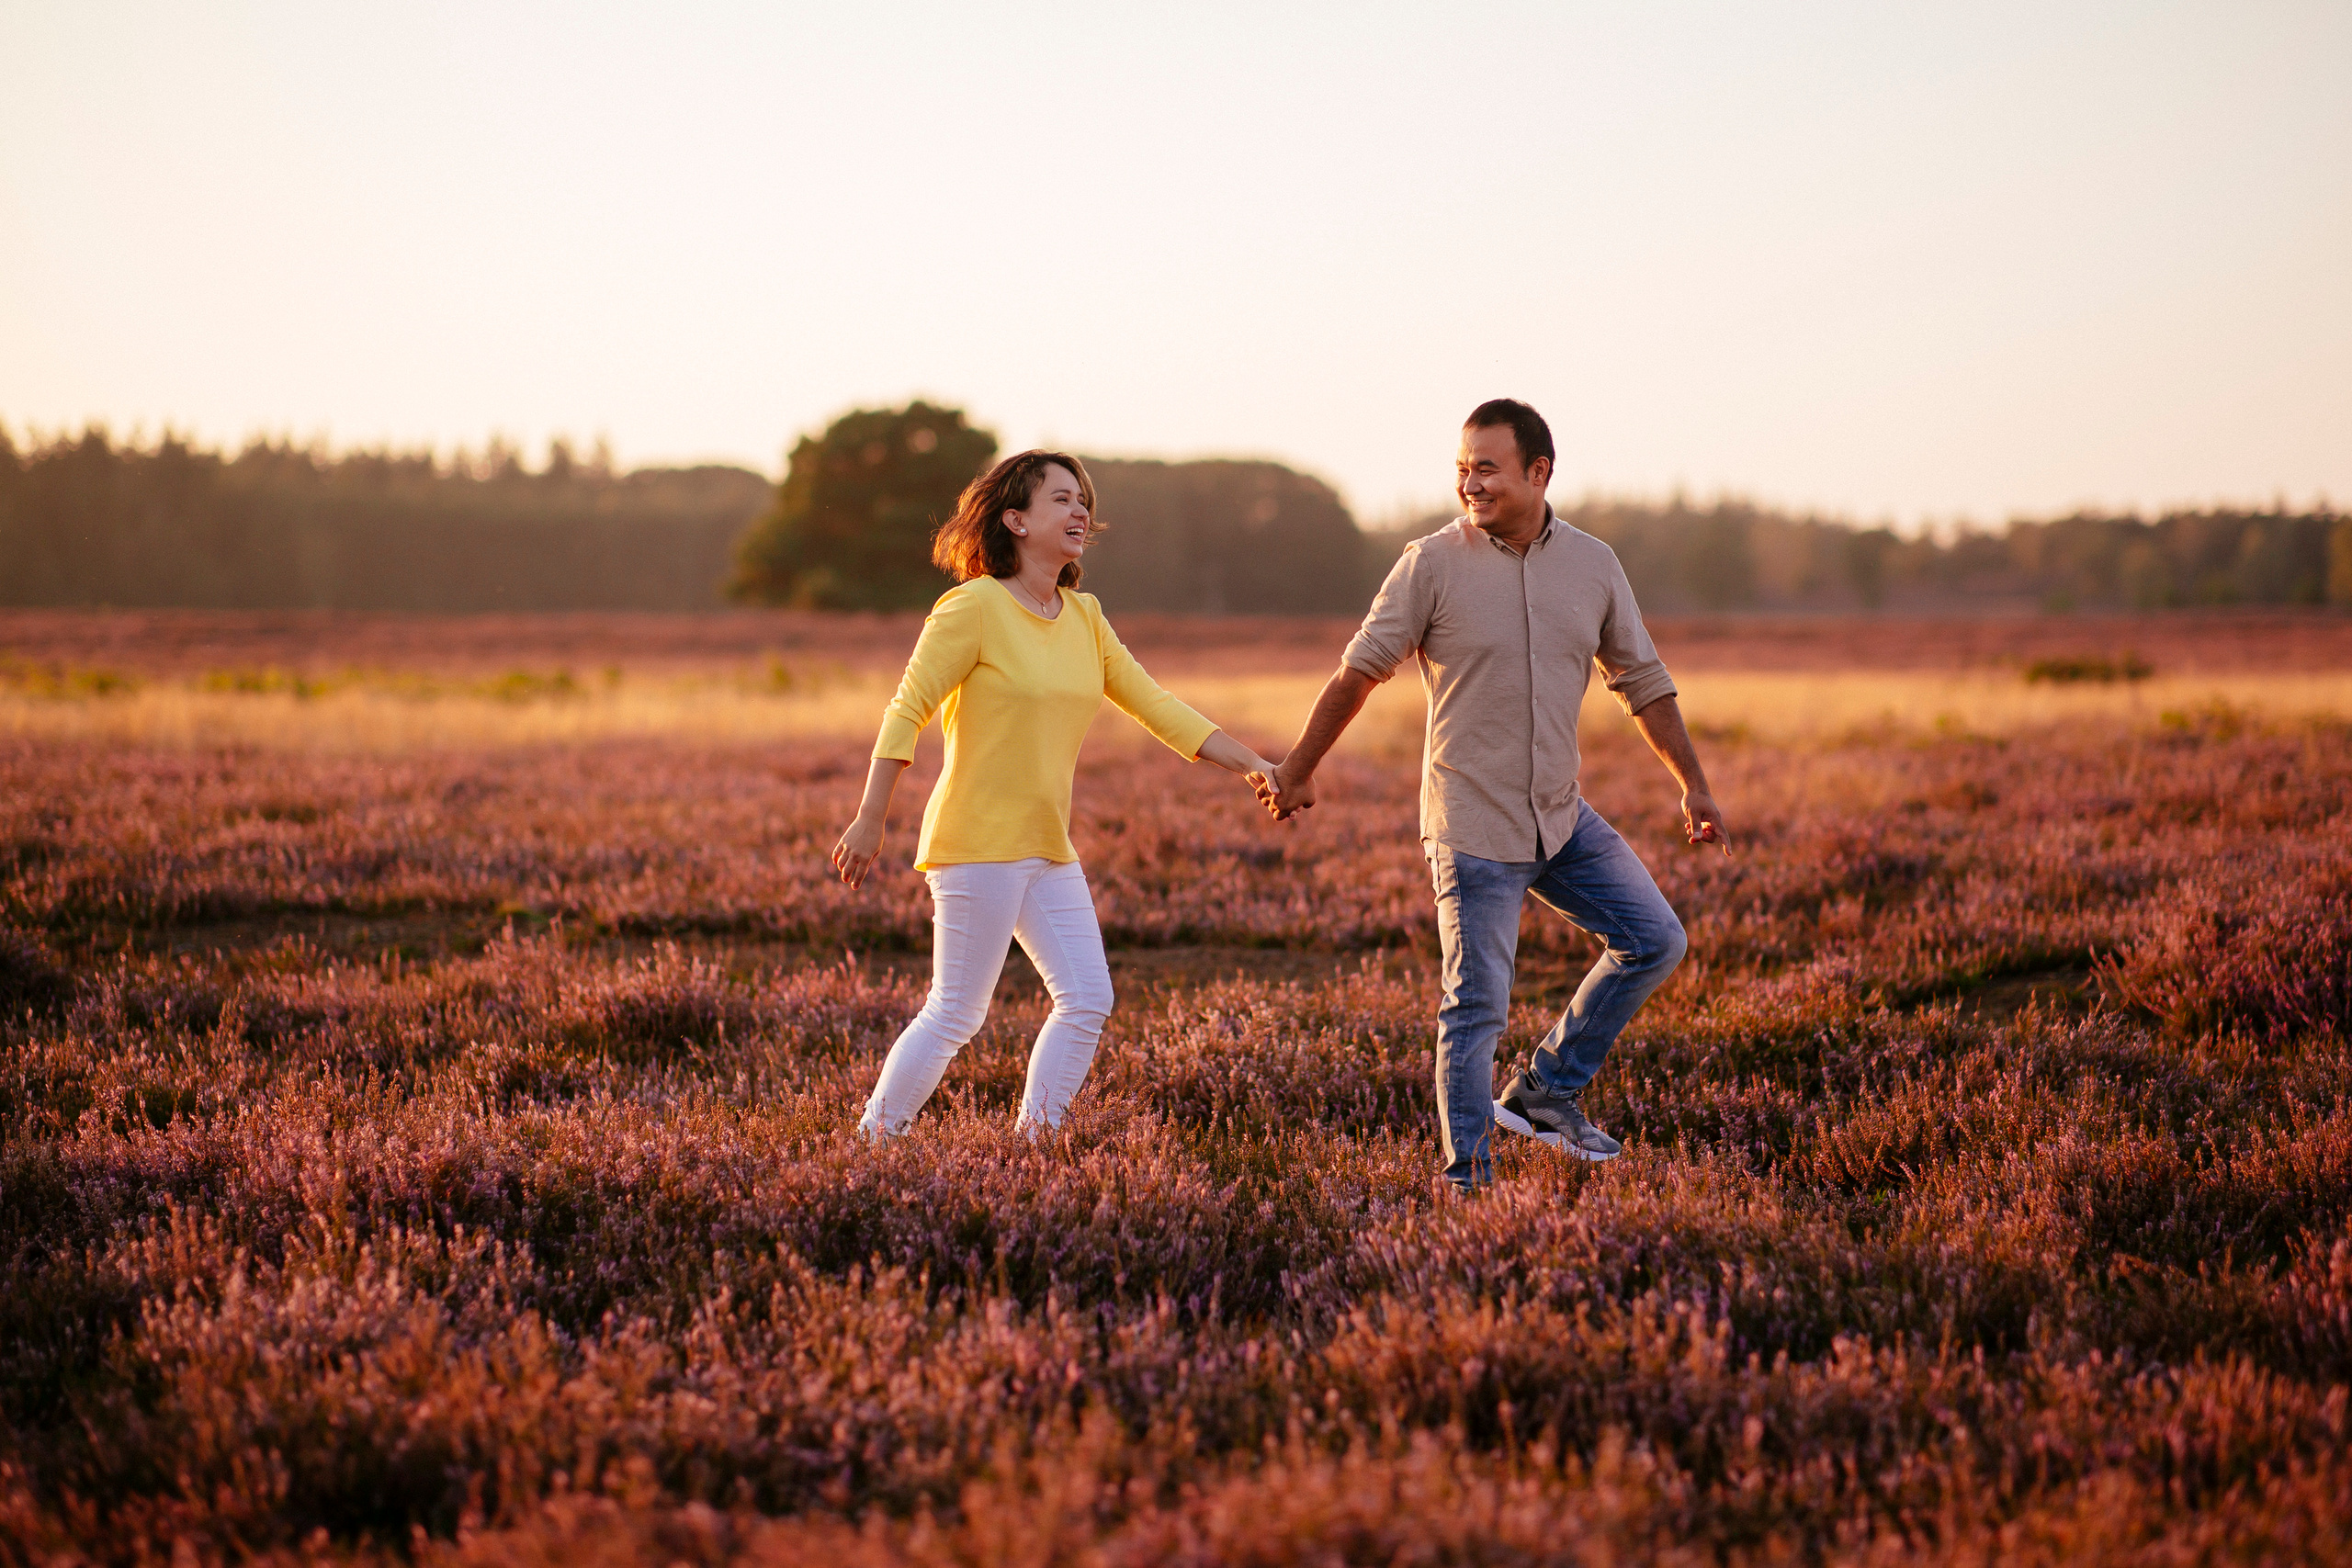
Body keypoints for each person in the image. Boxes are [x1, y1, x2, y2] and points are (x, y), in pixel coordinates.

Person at [1255, 400, 1728, 1190]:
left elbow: (1641, 681)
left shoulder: (1594, 564)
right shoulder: (1431, 562)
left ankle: (1545, 1092)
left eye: (1488, 468)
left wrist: (1695, 783)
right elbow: (1360, 670)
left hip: (1559, 815)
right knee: (1475, 1008)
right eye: (1462, 468)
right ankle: (1466, 1178)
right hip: (1471, 821)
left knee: (1656, 939)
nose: (1470, 483)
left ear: (1540, 472)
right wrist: (1299, 767)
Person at [834, 449, 1277, 1139]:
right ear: (1015, 518)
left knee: (1087, 998)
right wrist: (870, 817)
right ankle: (871, 1141)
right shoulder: (972, 606)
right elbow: (906, 707)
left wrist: (1252, 762)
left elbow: (1155, 703)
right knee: (955, 1011)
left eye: (1084, 502)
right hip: (976, 840)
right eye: (1063, 499)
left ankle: (1033, 1145)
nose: (1081, 512)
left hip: (1047, 844)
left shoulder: (1086, 616)